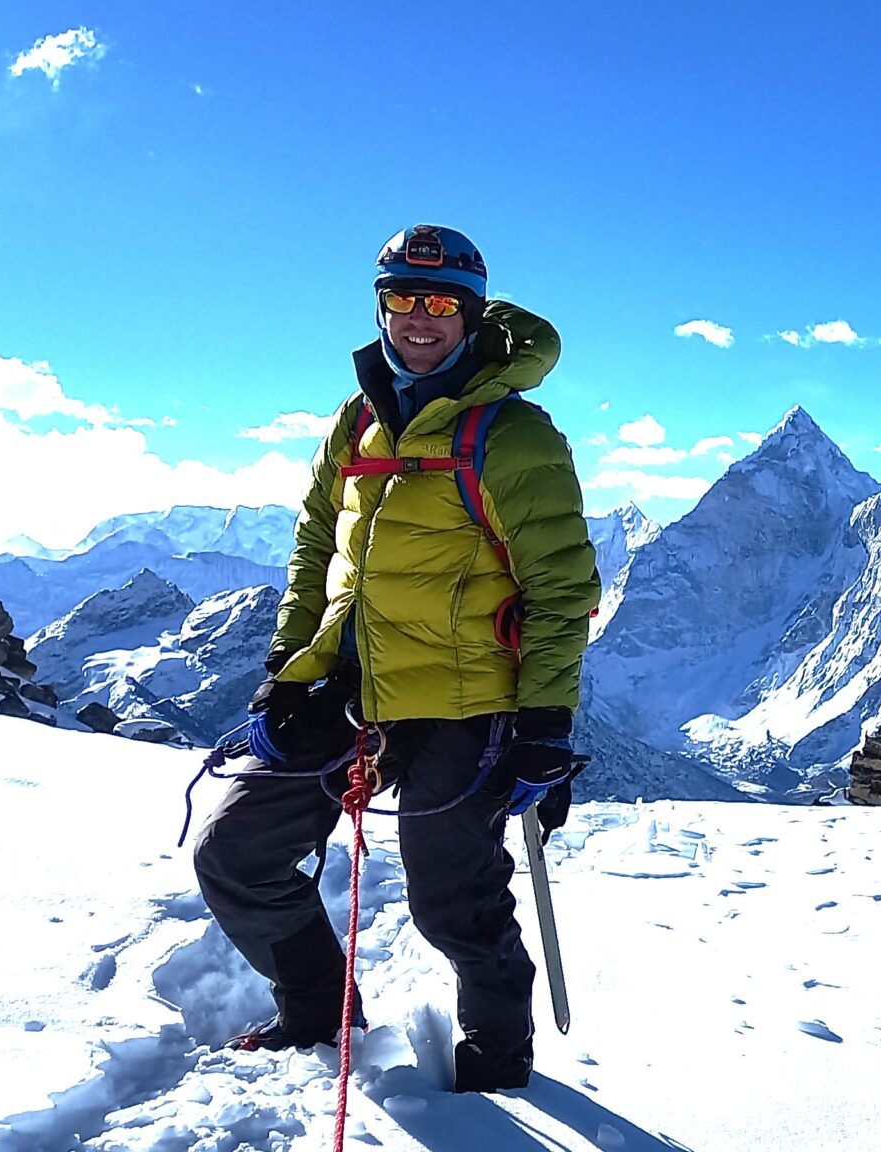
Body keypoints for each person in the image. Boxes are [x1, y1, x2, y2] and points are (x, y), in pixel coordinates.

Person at [191, 223, 598, 1094]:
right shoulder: (358, 419)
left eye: (441, 302)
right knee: (235, 852)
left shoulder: (515, 438)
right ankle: (317, 1009)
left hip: (468, 702)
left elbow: (563, 592)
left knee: (451, 902)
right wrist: (287, 665)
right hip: (350, 685)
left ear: (472, 314)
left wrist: (545, 727)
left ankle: (496, 1057)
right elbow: (316, 547)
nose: (420, 319)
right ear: (381, 306)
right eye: (403, 299)